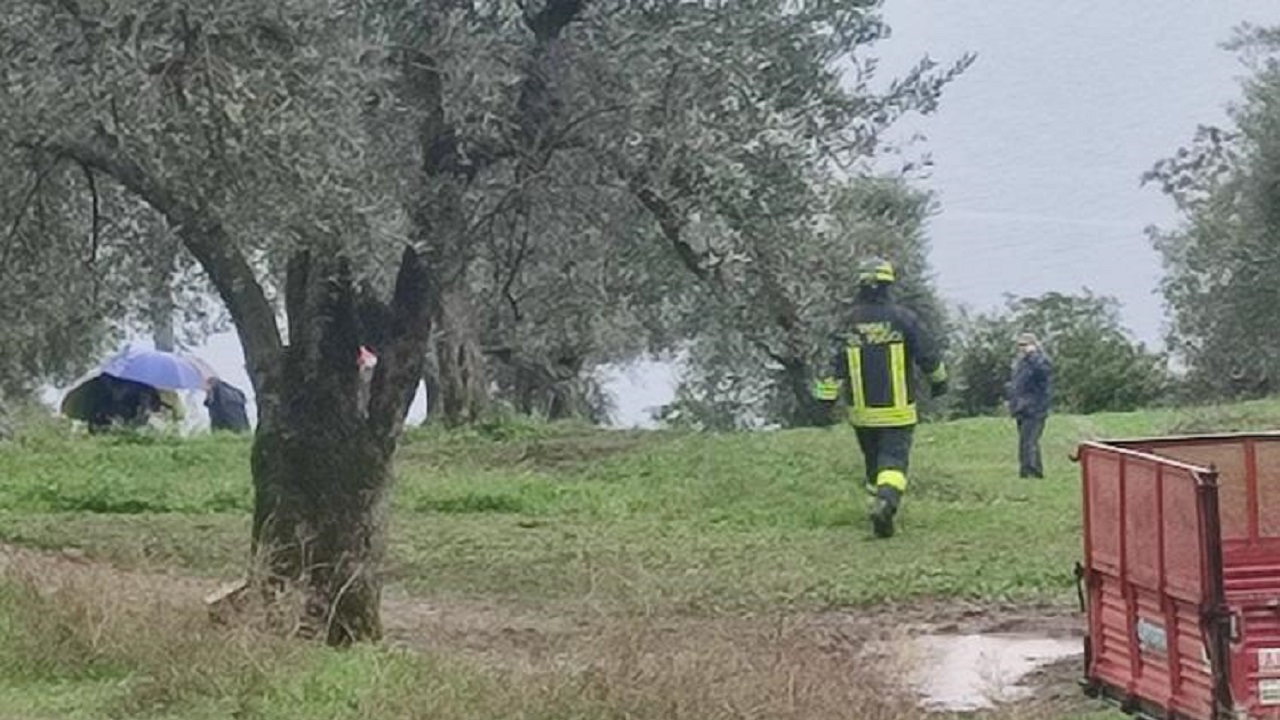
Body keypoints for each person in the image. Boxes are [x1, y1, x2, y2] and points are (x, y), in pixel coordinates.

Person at [812, 257, 949, 538]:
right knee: (894, 462)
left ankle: (878, 502)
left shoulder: (846, 323)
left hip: (862, 413)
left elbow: (829, 368)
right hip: (898, 411)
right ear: (889, 285)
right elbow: (929, 355)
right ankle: (886, 502)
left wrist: (823, 404)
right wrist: (939, 383)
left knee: (874, 463)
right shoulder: (903, 318)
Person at [1007, 332, 1053, 479]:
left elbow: (1043, 373)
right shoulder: (1021, 363)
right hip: (1022, 408)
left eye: (1025, 345)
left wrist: (1033, 356)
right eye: (1020, 345)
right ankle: (1028, 471)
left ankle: (1032, 472)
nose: (1021, 348)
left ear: (1033, 345)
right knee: (1024, 441)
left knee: (1030, 441)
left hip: (1035, 408)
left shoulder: (1040, 360)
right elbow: (1017, 386)